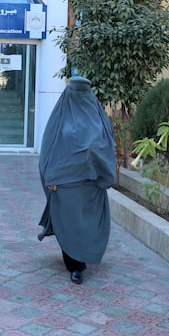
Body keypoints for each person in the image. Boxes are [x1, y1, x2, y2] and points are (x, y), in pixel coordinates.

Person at [37, 75, 116, 284]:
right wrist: (50, 176)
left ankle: (84, 256)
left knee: (87, 225)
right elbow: (49, 148)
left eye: (84, 92)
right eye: (76, 91)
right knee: (70, 223)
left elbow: (107, 145)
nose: (81, 96)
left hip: (91, 183)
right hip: (65, 183)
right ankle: (75, 265)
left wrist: (103, 171)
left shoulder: (97, 117)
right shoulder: (60, 117)